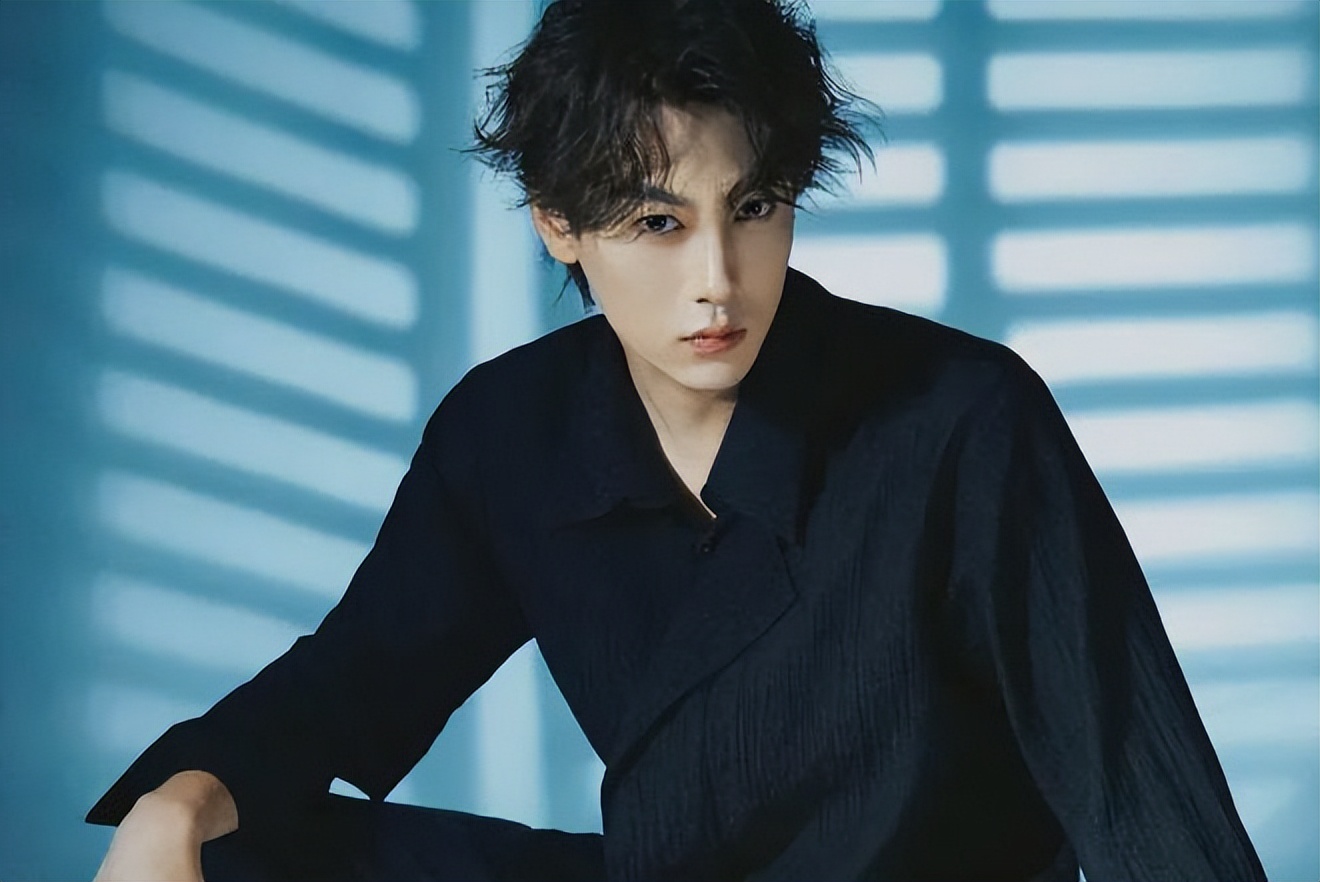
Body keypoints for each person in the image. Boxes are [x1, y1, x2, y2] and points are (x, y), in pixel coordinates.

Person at [88, 1, 1266, 880]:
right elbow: (350, 684)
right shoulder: (512, 431)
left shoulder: (964, 416)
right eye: (658, 222)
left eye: (751, 208)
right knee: (235, 850)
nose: (719, 280)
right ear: (558, 224)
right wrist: (177, 805)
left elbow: (1132, 778)